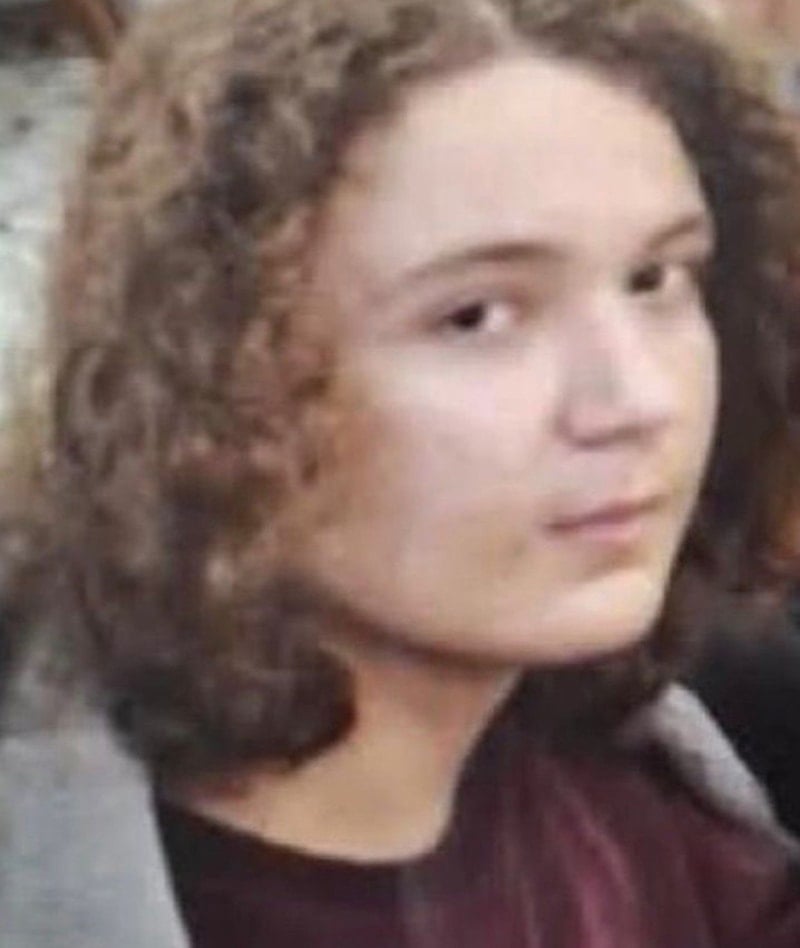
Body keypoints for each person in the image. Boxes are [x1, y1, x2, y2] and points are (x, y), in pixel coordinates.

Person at [3, 0, 800, 945]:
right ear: (213, 371)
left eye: (655, 279)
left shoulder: (653, 805)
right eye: (476, 317)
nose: (638, 398)